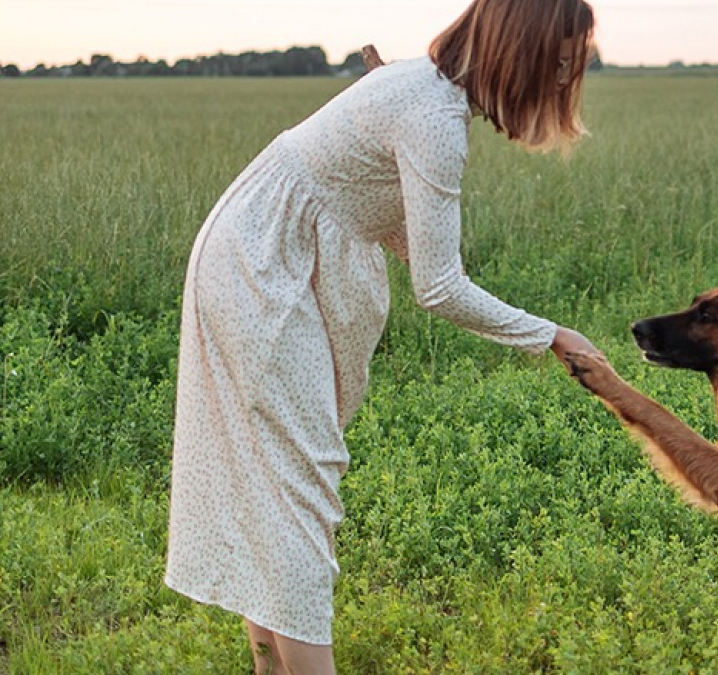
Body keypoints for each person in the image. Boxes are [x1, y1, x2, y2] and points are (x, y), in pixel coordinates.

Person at [164, 1, 598, 673]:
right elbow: (441, 288)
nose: (568, 73)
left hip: (262, 248)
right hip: (260, 265)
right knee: (299, 487)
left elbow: (374, 211)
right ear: (523, 50)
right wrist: (550, 335)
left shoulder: (422, 87)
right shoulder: (433, 117)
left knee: (278, 484)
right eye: (562, 58)